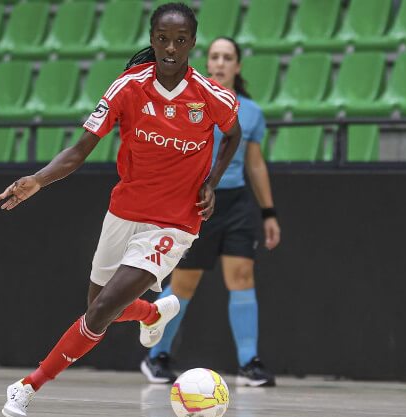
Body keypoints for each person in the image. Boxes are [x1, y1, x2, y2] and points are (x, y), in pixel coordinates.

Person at [0, 4, 241, 416]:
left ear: (192, 44)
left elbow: (232, 135)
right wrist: (37, 180)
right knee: (101, 306)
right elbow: (79, 151)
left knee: (100, 311)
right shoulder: (128, 87)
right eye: (162, 38)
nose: (170, 48)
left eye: (180, 41)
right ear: (152, 38)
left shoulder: (210, 96)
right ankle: (150, 313)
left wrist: (211, 183)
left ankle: (27, 386)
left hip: (175, 222)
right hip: (124, 212)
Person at [141, 36, 280, 388]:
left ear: (237, 66)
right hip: (196, 203)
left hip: (235, 204)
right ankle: (157, 354)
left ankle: (250, 362)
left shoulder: (251, 112)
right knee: (183, 284)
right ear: (208, 62)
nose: (220, 63)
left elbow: (256, 164)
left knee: (243, 278)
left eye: (227, 57)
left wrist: (268, 212)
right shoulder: (190, 101)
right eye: (215, 56)